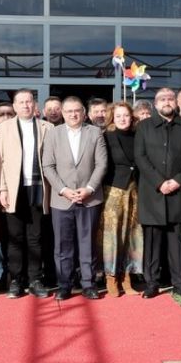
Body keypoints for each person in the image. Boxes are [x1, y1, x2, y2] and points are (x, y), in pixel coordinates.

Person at [134, 88, 181, 298]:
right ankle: (152, 283)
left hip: (178, 193)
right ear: (156, 104)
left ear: (176, 102)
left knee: (177, 243)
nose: (167, 102)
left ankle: (179, 283)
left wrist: (178, 180)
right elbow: (140, 156)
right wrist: (159, 182)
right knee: (152, 243)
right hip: (153, 193)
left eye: (170, 98)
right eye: (162, 99)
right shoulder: (143, 126)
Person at [43, 96, 109, 300]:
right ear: (63, 113)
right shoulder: (53, 134)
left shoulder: (95, 132)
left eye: (77, 111)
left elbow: (102, 164)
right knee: (63, 245)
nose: (73, 114)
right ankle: (65, 285)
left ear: (84, 113)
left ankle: (88, 284)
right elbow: (48, 166)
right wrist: (63, 189)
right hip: (62, 199)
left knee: (87, 243)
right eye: (69, 111)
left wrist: (89, 188)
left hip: (89, 198)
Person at [0, 89, 53, 298]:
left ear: (34, 104)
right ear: (14, 106)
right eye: (21, 102)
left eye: (29, 101)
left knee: (35, 237)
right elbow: (0, 161)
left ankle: (35, 279)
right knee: (15, 237)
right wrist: (3, 188)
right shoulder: (4, 128)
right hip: (14, 188)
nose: (26, 105)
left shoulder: (47, 127)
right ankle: (16, 280)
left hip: (38, 187)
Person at [100, 101, 143, 296]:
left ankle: (127, 276)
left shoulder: (138, 135)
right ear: (112, 118)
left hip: (135, 191)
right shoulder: (106, 136)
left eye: (126, 115)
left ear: (131, 117)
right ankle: (111, 277)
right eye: (118, 116)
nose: (122, 119)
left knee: (132, 235)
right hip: (113, 191)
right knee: (112, 235)